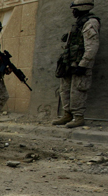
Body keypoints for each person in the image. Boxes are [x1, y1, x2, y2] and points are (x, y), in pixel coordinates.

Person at [52, 0, 101, 129]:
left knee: (78, 90)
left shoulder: (90, 23)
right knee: (65, 89)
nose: (73, 12)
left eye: (75, 9)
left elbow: (92, 46)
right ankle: (67, 114)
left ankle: (78, 117)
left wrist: (83, 64)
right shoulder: (79, 23)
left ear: (82, 8)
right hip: (70, 62)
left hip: (80, 64)